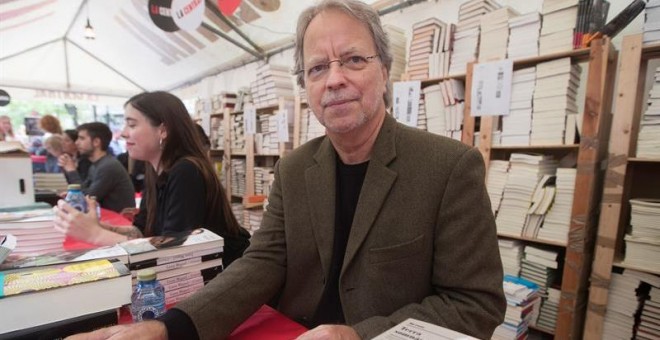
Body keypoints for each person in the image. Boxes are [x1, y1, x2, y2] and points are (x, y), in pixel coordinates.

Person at [67, 1, 505, 339]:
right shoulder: (296, 168)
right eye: (317, 68)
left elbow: (475, 305)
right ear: (306, 87)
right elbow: (264, 261)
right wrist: (171, 326)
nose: (334, 79)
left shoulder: (448, 166)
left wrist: (358, 334)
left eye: (353, 59)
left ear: (385, 72)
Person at [54, 92, 250, 266]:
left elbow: (173, 252)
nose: (123, 133)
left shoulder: (186, 171)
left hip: (225, 276)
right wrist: (99, 226)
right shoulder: (155, 170)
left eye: (131, 124)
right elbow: (143, 232)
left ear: (162, 130)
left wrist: (96, 234)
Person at [56, 122, 135, 213]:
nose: (77, 143)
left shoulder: (108, 166)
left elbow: (87, 198)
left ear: (96, 142)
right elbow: (84, 190)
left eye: (82, 138)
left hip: (116, 222)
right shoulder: (96, 164)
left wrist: (71, 171)